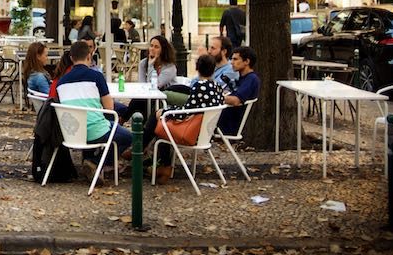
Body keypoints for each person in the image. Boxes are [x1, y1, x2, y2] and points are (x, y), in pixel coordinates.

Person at [55, 40, 133, 185]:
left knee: (102, 124)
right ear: (89, 56)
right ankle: (96, 162)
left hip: (72, 133)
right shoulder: (96, 77)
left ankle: (92, 162)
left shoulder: (61, 82)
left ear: (71, 58)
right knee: (128, 137)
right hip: (96, 132)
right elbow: (109, 108)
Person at [139, 54, 225, 184]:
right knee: (162, 120)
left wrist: (166, 112)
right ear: (213, 69)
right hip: (205, 133)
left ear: (198, 68)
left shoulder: (199, 86)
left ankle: (142, 150)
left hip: (192, 133)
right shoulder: (217, 88)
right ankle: (157, 162)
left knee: (159, 120)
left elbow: (186, 111)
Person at [217, 46, 261, 136]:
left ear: (247, 62)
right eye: (231, 59)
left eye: (235, 59)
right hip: (223, 119)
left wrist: (214, 97)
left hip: (229, 124)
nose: (232, 62)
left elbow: (236, 100)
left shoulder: (251, 79)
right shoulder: (241, 78)